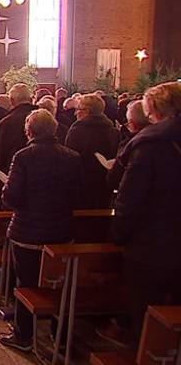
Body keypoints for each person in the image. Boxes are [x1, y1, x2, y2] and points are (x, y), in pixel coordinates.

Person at [0, 109, 83, 352]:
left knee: (26, 283)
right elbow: (79, 193)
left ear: (29, 131)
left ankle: (24, 335)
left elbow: (11, 197)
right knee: (58, 284)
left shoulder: (24, 156)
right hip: (61, 232)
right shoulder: (72, 156)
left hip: (28, 233)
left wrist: (8, 195)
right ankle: (60, 336)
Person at [111, 82, 181, 347]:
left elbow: (130, 197)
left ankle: (144, 349)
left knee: (146, 307)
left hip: (152, 243)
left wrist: (118, 234)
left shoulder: (149, 144)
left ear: (153, 112)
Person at [65, 93, 120, 208]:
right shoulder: (114, 131)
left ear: (87, 111)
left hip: (82, 187)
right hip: (105, 186)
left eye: (78, 109)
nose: (75, 113)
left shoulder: (76, 131)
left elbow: (69, 160)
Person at [0, 84, 37, 202]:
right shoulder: (47, 119)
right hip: (44, 185)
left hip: (14, 183)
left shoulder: (6, 123)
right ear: (30, 99)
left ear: (12, 100)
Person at [106, 100, 150, 189]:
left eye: (128, 123)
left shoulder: (131, 145)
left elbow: (114, 179)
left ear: (133, 124)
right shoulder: (169, 138)